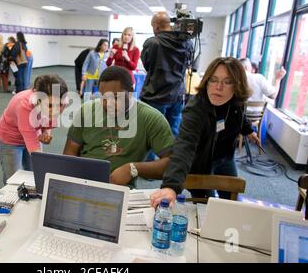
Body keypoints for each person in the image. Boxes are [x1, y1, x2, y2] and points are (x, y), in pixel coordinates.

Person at [150, 57, 260, 207]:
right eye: (213, 80)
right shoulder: (195, 110)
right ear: (206, 81)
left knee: (231, 203)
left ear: (237, 86)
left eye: (227, 82)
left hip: (225, 158)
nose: (218, 87)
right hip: (200, 162)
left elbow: (241, 117)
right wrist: (171, 186)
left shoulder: (237, 102)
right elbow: (184, 147)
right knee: (206, 206)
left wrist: (249, 131)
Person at [64, 66, 174, 187]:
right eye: (103, 98)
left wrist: (133, 169)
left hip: (121, 190)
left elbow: (172, 164)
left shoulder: (151, 119)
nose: (108, 104)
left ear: (131, 92)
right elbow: (70, 152)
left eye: (116, 97)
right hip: (82, 183)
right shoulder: (86, 111)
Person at [0, 74, 68, 185]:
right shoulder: (24, 106)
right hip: (11, 139)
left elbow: (50, 119)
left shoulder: (62, 99)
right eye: (49, 105)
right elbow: (37, 156)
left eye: (58, 105)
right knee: (14, 181)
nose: (55, 110)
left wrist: (46, 132)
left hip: (33, 132)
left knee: (35, 174)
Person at [140, 12, 194, 136]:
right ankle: (171, 156)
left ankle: (151, 156)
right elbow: (190, 64)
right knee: (172, 133)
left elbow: (147, 66)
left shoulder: (152, 43)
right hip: (177, 96)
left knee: (151, 134)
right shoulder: (187, 43)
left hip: (155, 96)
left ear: (156, 26)